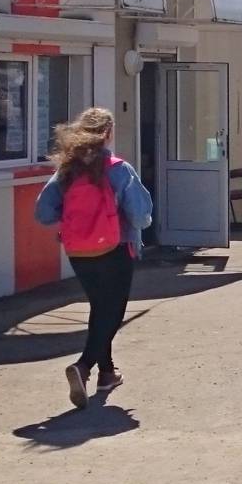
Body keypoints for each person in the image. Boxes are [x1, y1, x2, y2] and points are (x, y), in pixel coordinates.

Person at [34, 107, 153, 411]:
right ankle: (85, 366)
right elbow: (140, 217)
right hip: (116, 248)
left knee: (101, 308)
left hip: (79, 252)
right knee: (112, 313)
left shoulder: (67, 171)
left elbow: (43, 213)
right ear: (108, 133)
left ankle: (107, 373)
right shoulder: (118, 169)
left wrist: (77, 222)